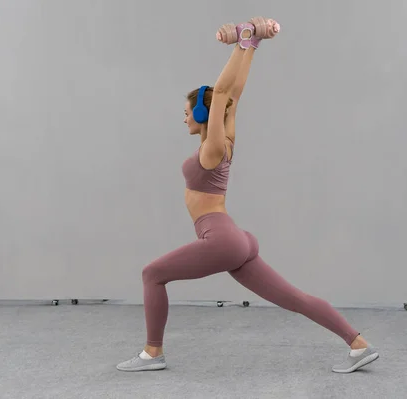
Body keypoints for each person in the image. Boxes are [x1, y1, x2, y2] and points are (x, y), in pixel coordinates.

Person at [117, 17, 379, 374]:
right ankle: (357, 344)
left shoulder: (211, 149)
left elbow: (223, 93)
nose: (183, 120)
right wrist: (251, 46)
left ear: (199, 114)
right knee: (294, 299)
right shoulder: (225, 139)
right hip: (236, 239)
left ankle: (152, 354)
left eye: (186, 114)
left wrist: (241, 43)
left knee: (151, 274)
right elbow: (233, 97)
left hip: (221, 239)